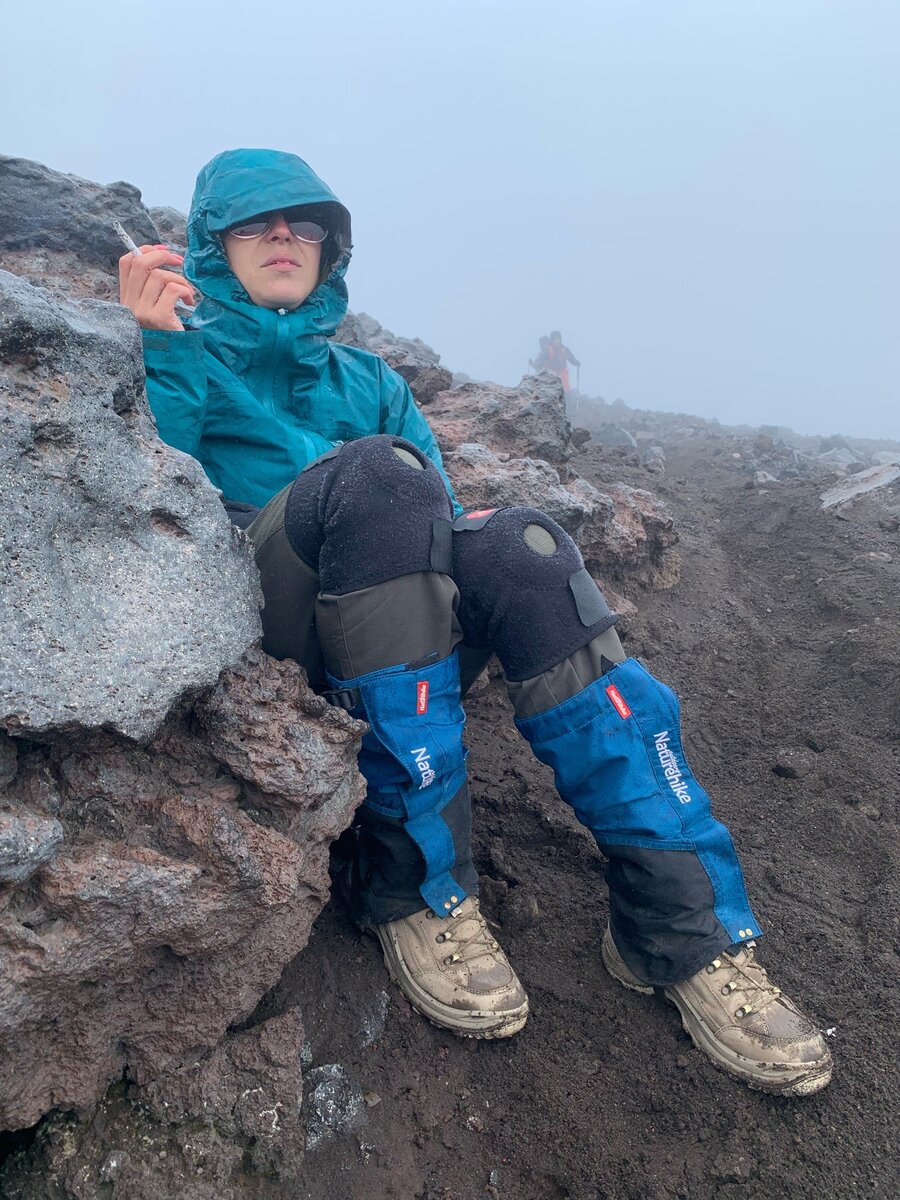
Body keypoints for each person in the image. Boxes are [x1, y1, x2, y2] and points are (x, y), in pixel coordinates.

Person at [119, 147, 832, 1097]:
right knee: (377, 473)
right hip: (265, 636)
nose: (285, 238)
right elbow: (149, 502)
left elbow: (442, 532)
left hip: (397, 642)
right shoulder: (179, 347)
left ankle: (681, 927)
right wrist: (163, 345)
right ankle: (418, 887)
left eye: (307, 224)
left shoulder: (370, 380)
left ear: (334, 249)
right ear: (212, 243)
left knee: (522, 544)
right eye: (257, 223)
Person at [544, 330, 580, 394]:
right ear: (552, 340)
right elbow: (542, 361)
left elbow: (571, 358)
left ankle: (567, 401)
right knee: (552, 391)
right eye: (555, 339)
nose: (557, 341)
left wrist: (576, 362)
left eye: (558, 339)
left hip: (563, 374)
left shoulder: (564, 349)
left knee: (566, 391)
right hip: (551, 373)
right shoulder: (547, 350)